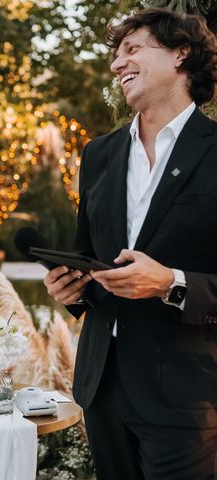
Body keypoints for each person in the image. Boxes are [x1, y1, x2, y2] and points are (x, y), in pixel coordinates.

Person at [44, 8, 217, 480]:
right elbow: (89, 258)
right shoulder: (97, 154)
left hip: (188, 396)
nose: (118, 64)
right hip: (103, 390)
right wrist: (72, 289)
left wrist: (171, 283)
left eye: (133, 49)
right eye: (115, 55)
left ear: (182, 53)